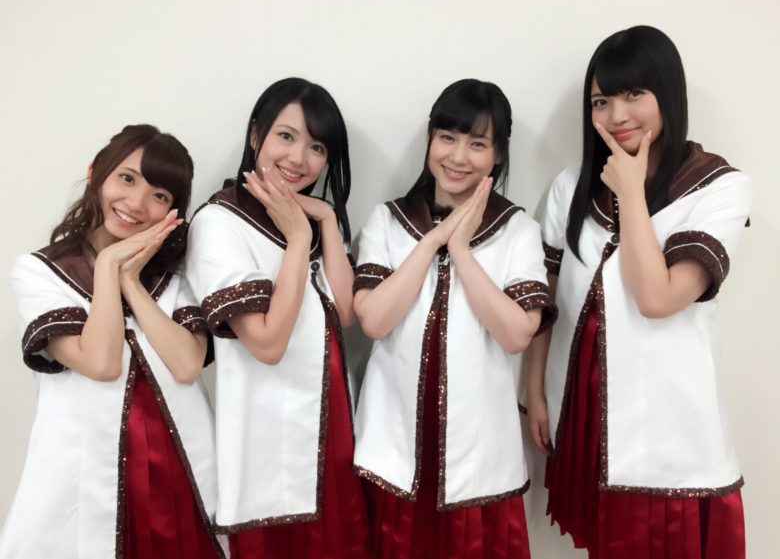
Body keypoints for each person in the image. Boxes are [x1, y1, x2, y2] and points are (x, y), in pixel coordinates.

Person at [526, 25, 750, 558]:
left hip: (669, 423)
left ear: (667, 95)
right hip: (583, 412)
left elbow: (658, 299)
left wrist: (630, 190)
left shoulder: (719, 186)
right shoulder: (570, 186)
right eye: (601, 101)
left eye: (634, 94)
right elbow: (547, 300)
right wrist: (534, 392)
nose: (617, 115)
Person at [352, 78, 556, 558]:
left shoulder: (518, 230)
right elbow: (374, 321)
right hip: (393, 445)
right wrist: (432, 241)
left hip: (480, 455)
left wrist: (461, 249)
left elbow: (516, 334)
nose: (458, 157)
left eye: (478, 144)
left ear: (500, 153)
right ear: (430, 138)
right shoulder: (387, 221)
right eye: (448, 137)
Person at [2, 125, 224, 559]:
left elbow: (186, 365)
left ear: (172, 211)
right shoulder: (39, 271)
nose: (137, 203)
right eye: (127, 178)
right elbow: (101, 363)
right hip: (85, 477)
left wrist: (131, 282)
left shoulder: (178, 276)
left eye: (159, 195)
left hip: (177, 476)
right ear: (96, 172)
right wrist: (107, 265)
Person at [185, 77, 371, 558]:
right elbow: (267, 345)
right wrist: (298, 241)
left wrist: (324, 219)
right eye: (285, 136)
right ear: (256, 135)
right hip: (269, 439)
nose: (298, 158)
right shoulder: (218, 222)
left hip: (333, 429)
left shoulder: (309, 218)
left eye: (317, 147)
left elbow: (347, 311)